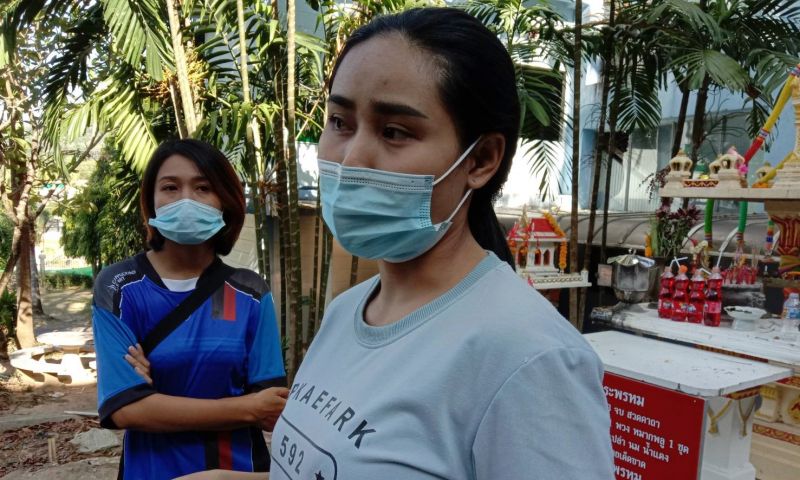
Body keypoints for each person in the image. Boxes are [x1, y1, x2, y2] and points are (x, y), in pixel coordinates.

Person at [187, 6, 614, 480]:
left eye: (395, 132)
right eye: (339, 122)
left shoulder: (530, 360)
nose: (351, 157)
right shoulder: (347, 312)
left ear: (482, 160)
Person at [92, 139, 289, 479]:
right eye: (170, 187)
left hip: (236, 472)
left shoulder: (250, 292)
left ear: (224, 200)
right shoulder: (119, 286)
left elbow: (271, 408)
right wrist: (245, 407)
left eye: (203, 187)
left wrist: (153, 401)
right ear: (151, 202)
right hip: (151, 470)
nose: (186, 199)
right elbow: (124, 410)